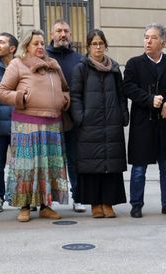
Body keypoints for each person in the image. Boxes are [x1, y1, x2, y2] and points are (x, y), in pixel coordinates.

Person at [0, 29, 70, 222]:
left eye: (42, 43)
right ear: (26, 46)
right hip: (26, 125)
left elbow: (65, 88)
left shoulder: (53, 65)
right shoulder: (17, 64)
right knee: (26, 167)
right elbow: (2, 92)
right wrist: (21, 97)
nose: (40, 47)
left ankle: (46, 206)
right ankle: (25, 206)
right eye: (35, 43)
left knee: (48, 167)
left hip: (52, 124)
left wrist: (64, 99)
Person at [123, 23, 166, 218]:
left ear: (163, 42)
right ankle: (136, 204)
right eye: (146, 37)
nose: (148, 41)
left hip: (165, 123)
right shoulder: (134, 63)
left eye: (153, 37)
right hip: (143, 123)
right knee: (139, 168)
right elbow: (128, 87)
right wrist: (149, 99)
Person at [69, 29, 129, 218]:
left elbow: (121, 96)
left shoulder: (114, 69)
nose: (98, 47)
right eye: (94, 44)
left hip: (112, 124)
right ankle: (95, 204)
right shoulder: (81, 68)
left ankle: (108, 203)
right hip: (89, 125)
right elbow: (75, 96)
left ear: (105, 45)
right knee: (92, 165)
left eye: (100, 43)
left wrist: (122, 116)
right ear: (88, 47)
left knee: (110, 165)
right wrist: (81, 117)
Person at [46, 19, 86, 213]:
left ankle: (78, 197)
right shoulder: (43, 56)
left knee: (74, 159)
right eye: (59, 31)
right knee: (50, 159)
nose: (63, 34)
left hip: (73, 117)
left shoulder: (79, 58)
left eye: (66, 31)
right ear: (51, 34)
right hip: (48, 116)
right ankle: (49, 200)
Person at [0, 32, 18, 213]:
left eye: (2, 42)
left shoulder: (20, 68)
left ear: (12, 48)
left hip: (18, 125)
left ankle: (16, 196)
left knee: (18, 165)